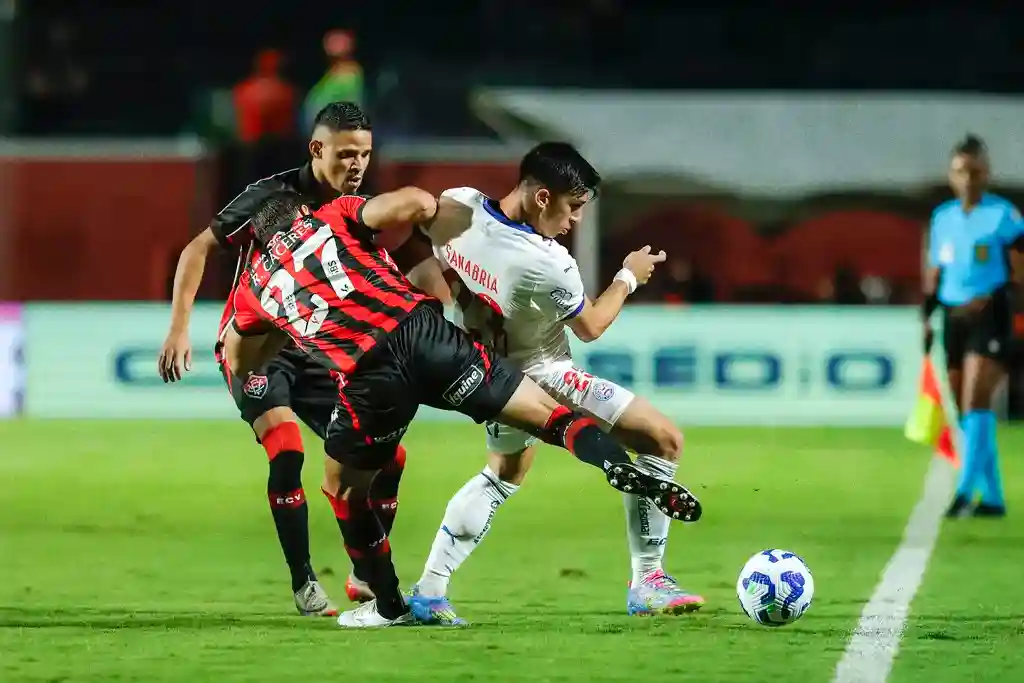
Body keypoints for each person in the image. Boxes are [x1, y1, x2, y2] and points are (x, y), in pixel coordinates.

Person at [220, 187, 703, 628]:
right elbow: (412, 203)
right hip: (428, 334)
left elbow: (241, 359)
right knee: (548, 416)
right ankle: (613, 461)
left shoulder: (257, 283)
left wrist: (289, 323)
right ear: (301, 213)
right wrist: (433, 216)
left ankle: (389, 606)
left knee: (344, 489)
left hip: (370, 375)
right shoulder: (334, 214)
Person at [400, 142, 704, 626]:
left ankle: (429, 591)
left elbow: (425, 255)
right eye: (573, 207)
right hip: (546, 372)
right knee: (663, 440)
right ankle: (648, 580)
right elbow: (591, 326)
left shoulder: (457, 204)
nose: (575, 221)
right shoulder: (547, 261)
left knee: (500, 476)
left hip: (491, 377)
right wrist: (629, 275)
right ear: (543, 198)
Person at [157, 102, 441, 616]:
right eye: (346, 154)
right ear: (317, 149)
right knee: (287, 447)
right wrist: (180, 328)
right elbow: (198, 248)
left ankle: (363, 572)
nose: (357, 165)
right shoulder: (272, 196)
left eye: (366, 154)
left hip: (315, 351)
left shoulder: (362, 210)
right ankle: (304, 582)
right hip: (255, 350)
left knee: (390, 459)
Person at [923, 133, 1024, 518]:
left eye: (976, 171)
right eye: (961, 171)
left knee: (976, 400)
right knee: (965, 410)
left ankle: (965, 490)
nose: (969, 179)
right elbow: (936, 270)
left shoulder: (1005, 217)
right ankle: (994, 497)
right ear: (951, 175)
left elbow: (1019, 270)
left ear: (988, 173)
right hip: (952, 316)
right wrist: (927, 316)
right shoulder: (942, 219)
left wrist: (1005, 298)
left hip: (990, 314)